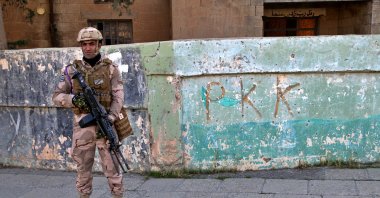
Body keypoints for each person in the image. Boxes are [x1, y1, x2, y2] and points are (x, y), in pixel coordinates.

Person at [52, 27, 124, 198]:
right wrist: (73, 100)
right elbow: (56, 96)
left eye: (92, 44)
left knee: (114, 170)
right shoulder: (71, 71)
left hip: (106, 125)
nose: (88, 48)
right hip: (82, 128)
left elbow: (118, 96)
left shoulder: (111, 69)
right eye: (84, 44)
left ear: (99, 45)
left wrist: (112, 116)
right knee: (83, 172)